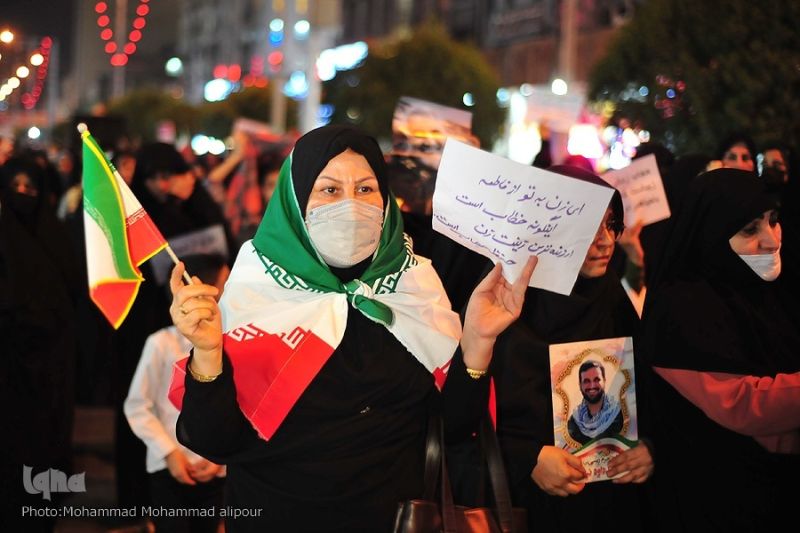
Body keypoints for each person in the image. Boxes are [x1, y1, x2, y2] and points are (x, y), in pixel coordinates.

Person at [167, 125, 537, 532]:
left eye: (365, 189)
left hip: (395, 521)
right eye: (329, 190)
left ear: (386, 200)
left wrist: (478, 341)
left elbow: (453, 427)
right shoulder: (257, 290)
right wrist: (207, 353)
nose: (350, 205)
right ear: (294, 202)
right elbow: (215, 441)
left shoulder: (414, 286)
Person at [444, 165, 654, 533]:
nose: (605, 241)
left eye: (611, 225)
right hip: (523, 509)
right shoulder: (503, 303)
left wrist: (648, 449)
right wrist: (528, 459)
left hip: (609, 509)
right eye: (589, 227)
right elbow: (458, 426)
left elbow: (650, 397)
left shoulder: (612, 301)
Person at [641, 168, 800, 532]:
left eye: (773, 221)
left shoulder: (771, 290)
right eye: (749, 230)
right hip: (721, 497)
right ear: (711, 236)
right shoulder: (681, 309)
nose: (771, 240)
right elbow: (741, 403)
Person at [567, 360, 624, 445]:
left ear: (604, 381)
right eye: (586, 381)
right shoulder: (574, 423)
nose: (592, 386)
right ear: (580, 385)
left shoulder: (618, 415)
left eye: (597, 380)